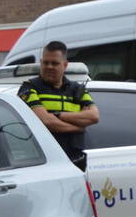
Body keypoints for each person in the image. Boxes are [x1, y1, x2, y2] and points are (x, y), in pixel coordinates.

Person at [17, 40, 99, 170]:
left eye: (54, 63)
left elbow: (94, 116)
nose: (49, 67)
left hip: (75, 161)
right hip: (43, 161)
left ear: (65, 65)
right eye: (45, 62)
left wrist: (57, 115)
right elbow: (47, 121)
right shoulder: (29, 88)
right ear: (40, 62)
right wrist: (78, 127)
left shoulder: (77, 89)